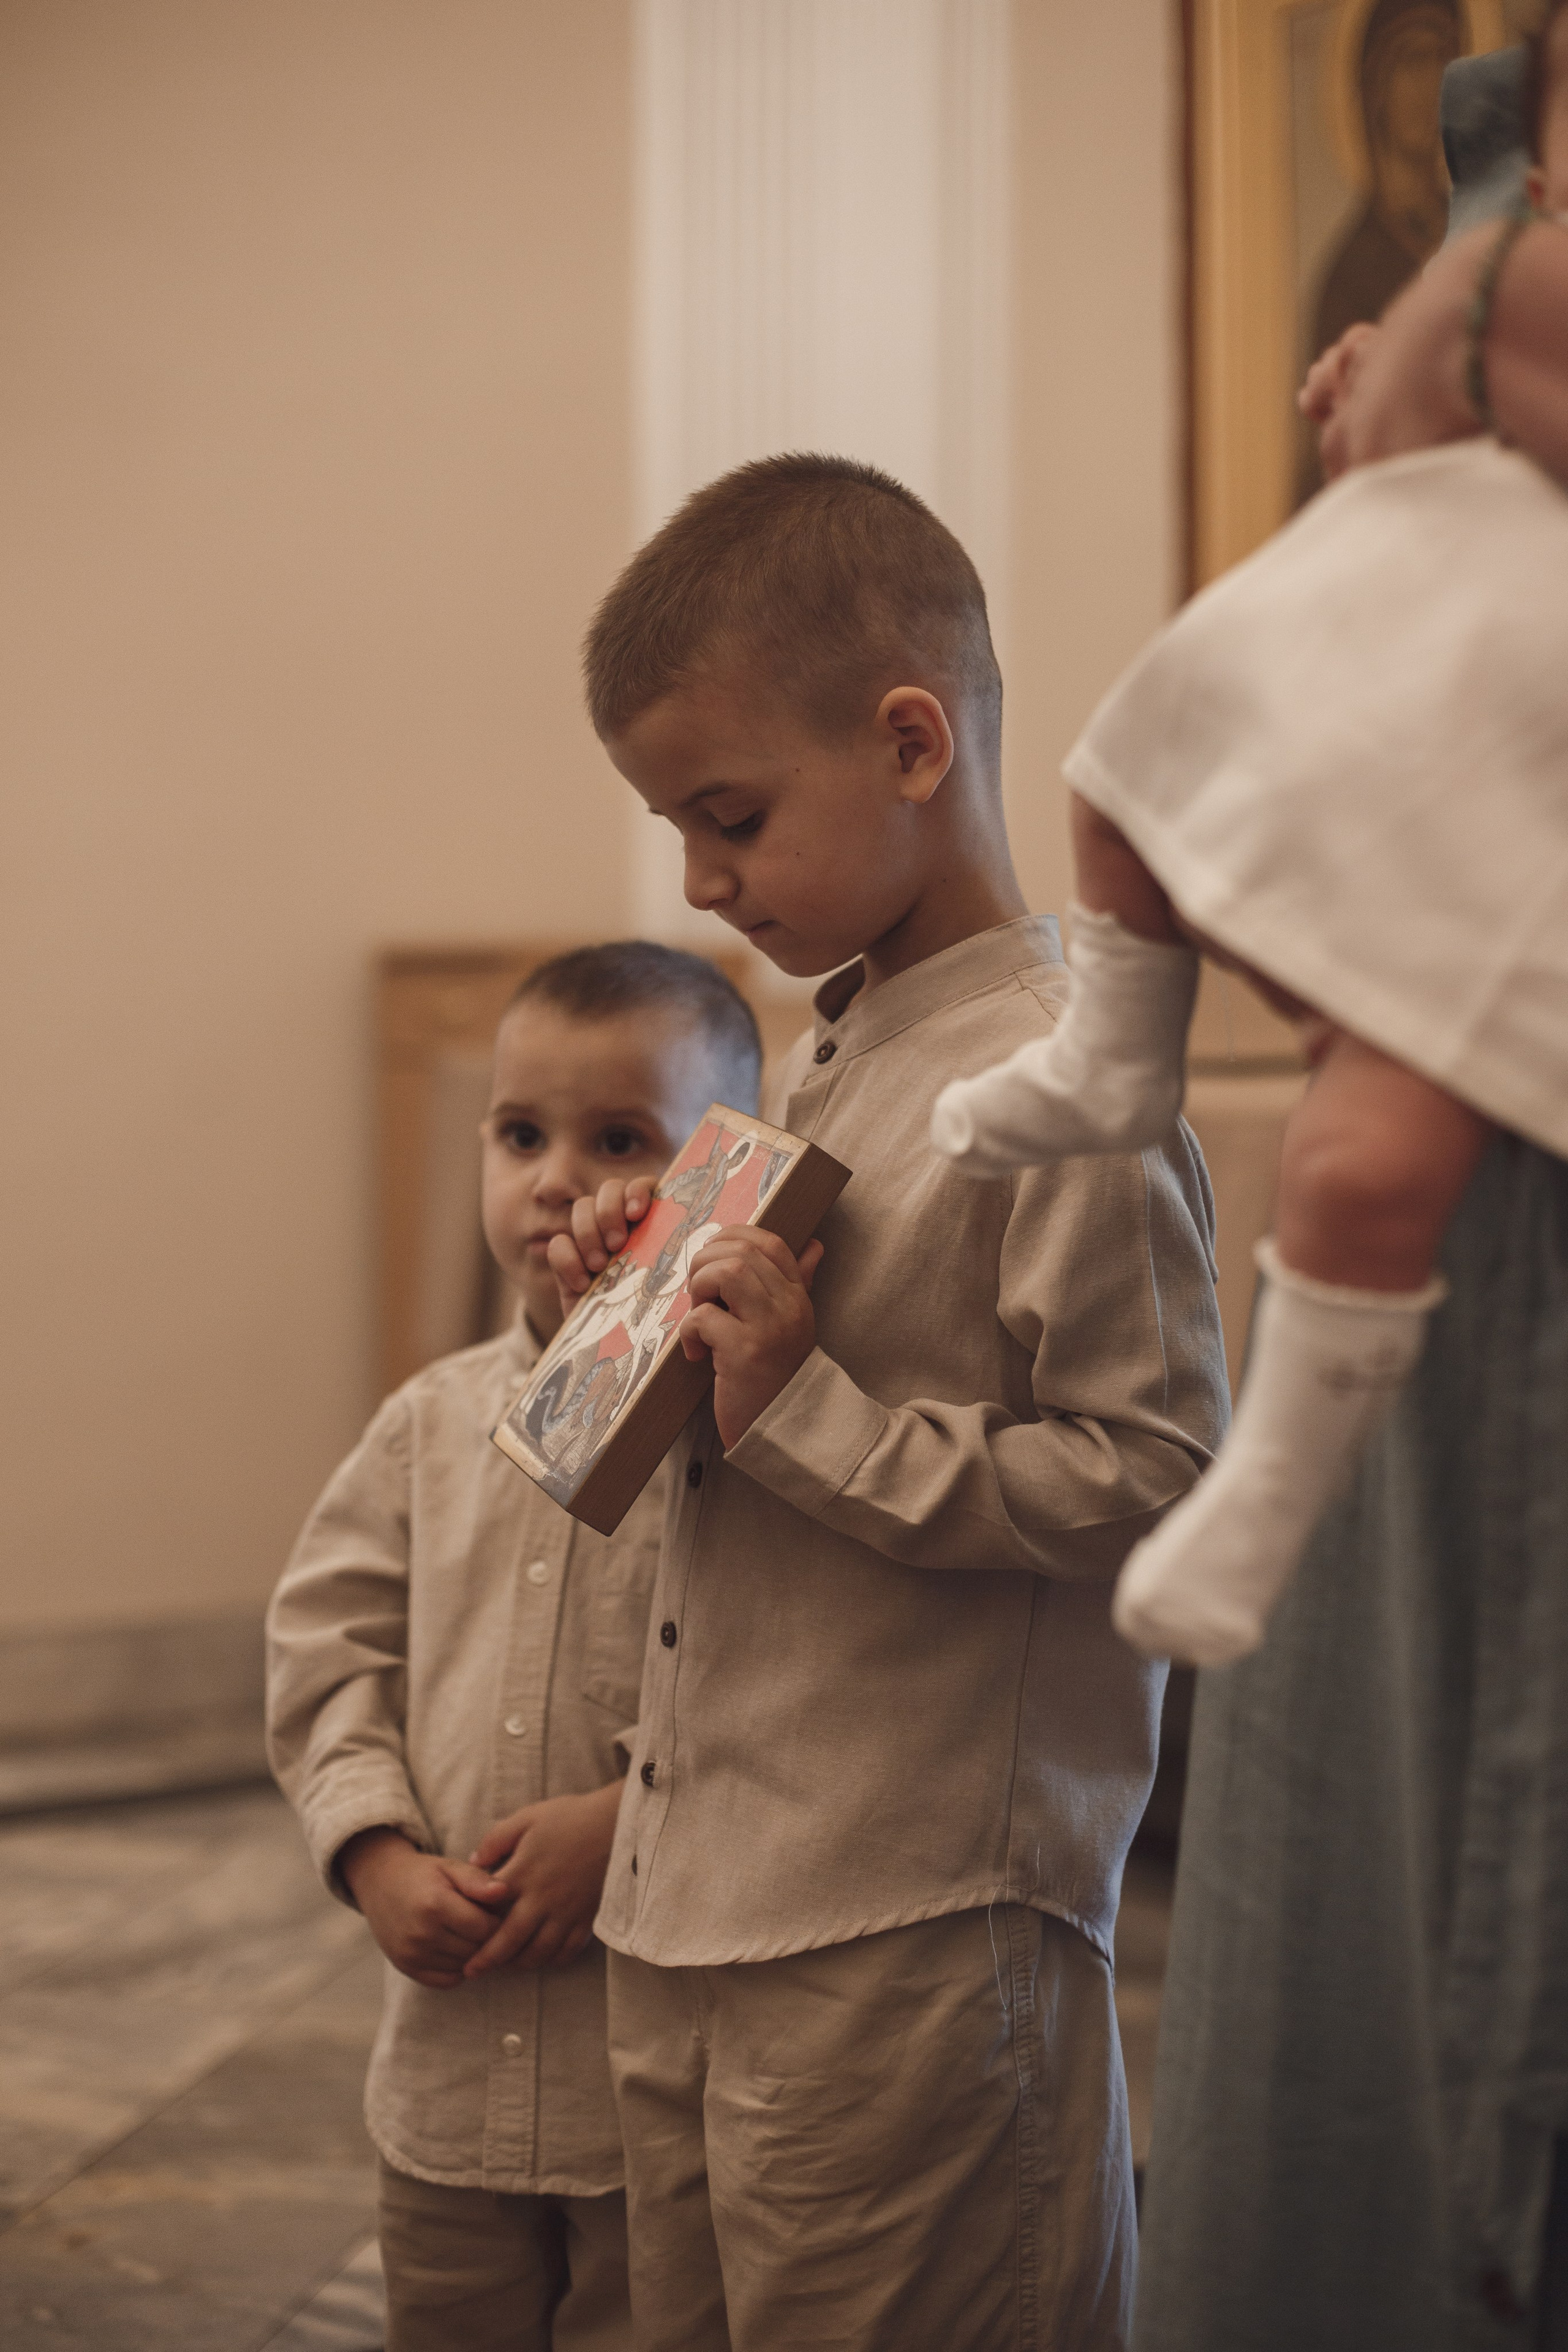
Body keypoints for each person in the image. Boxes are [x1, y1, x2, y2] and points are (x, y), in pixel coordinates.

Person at [546, 453, 1231, 2352]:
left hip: (917, 1928)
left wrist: (805, 1410)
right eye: (680, 829)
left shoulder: (1064, 1085)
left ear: (912, 742)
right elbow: (733, 1427)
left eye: (733, 817)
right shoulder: (826, 1055)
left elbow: (1160, 1473)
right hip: (701, 1896)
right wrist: (624, 1323)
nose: (702, 882)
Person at [930, 12, 1568, 1674]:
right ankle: (1114, 1052)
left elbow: (1466, 380)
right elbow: (1416, 424)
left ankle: (1267, 1495)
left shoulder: (1507, 285)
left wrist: (1438, 357)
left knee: (1361, 1167)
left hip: (1510, 799)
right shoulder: (1507, 268)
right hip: (1401, 700)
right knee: (1128, 770)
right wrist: (1391, 384)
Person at [265, 941, 763, 2352]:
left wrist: (624, 1820)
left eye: (621, 1141)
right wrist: (372, 1854)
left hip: (645, 2107)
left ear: (723, 1171)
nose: (556, 1179)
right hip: (443, 2084)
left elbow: (779, 1680)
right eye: (521, 1134)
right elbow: (325, 1645)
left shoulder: (744, 1432)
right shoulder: (425, 1426)